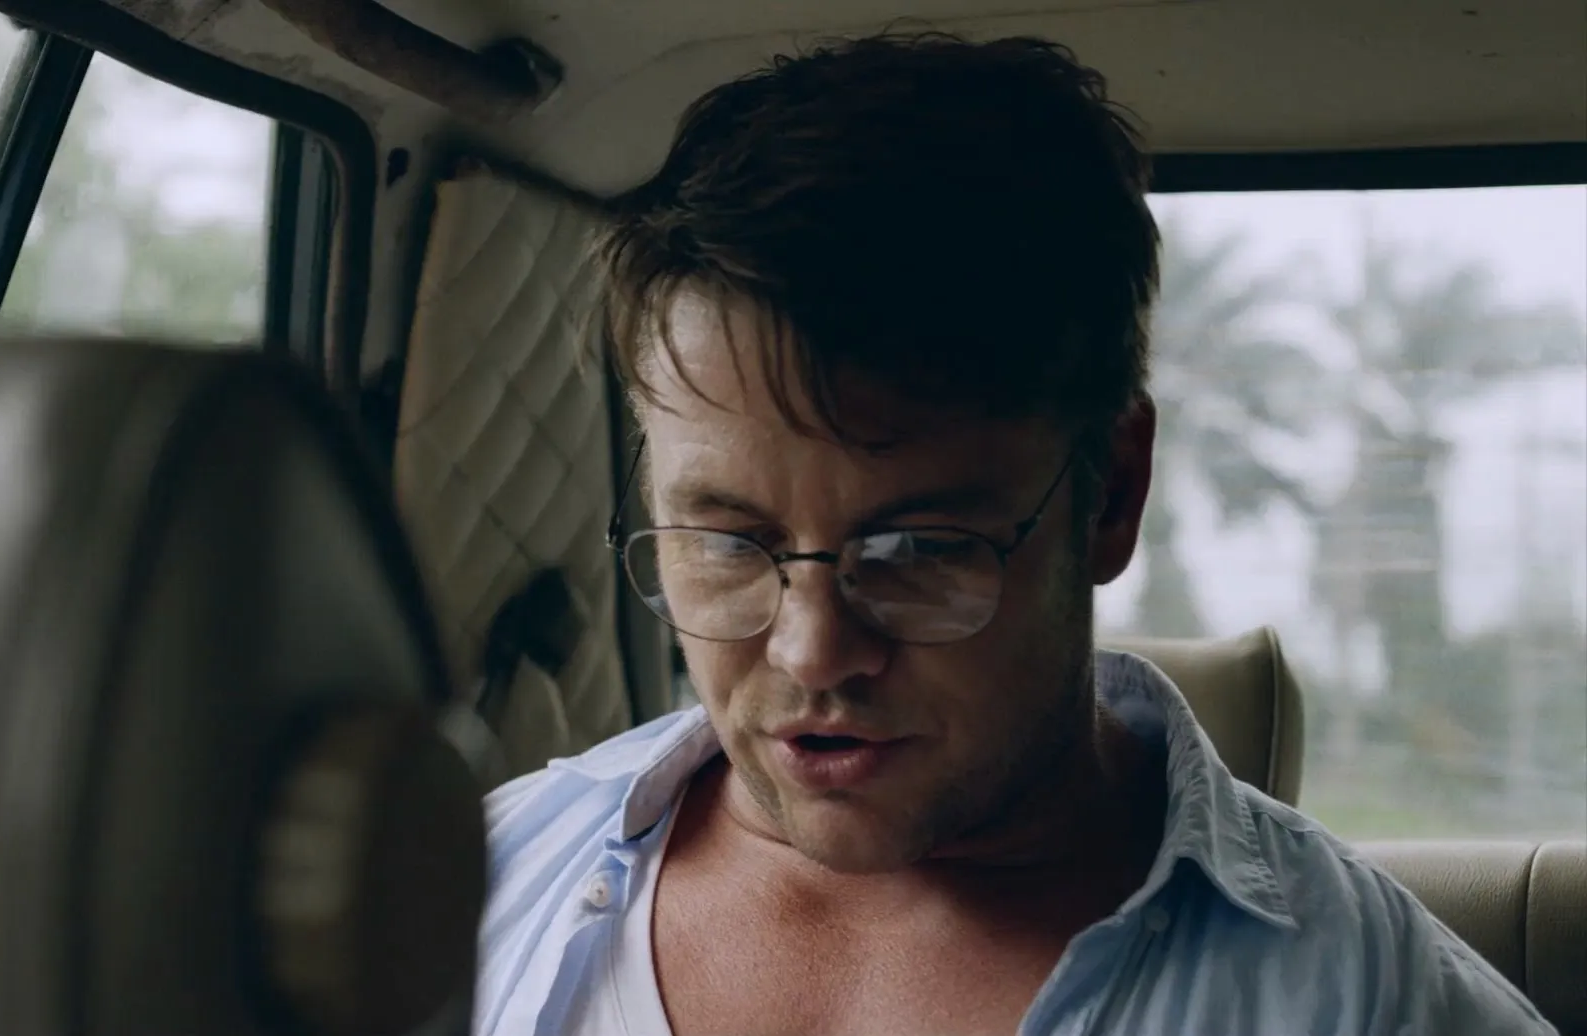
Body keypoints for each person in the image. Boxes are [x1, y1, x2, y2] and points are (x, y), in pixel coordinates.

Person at [473, 32, 1554, 1036]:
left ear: (1110, 494)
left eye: (914, 550)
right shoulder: (477, 887)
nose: (813, 652)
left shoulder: (1368, 999)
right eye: (727, 545)